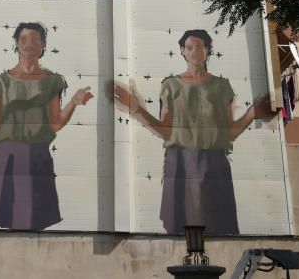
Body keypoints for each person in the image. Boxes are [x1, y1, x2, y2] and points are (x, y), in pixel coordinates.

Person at [112, 29, 273, 235]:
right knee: (183, 230)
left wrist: (251, 114)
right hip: (180, 162)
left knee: (217, 228)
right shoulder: (170, 85)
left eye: (200, 47)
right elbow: (166, 131)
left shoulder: (221, 86)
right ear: (182, 51)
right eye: (189, 47)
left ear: (208, 50)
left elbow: (228, 134)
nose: (195, 51)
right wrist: (136, 109)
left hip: (214, 163)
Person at [0, 22, 93, 230]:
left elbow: (55, 124)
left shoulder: (53, 81)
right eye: (23, 39)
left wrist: (73, 103)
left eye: (35, 39)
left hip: (37, 157)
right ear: (16, 44)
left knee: (33, 222)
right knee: (9, 222)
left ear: (43, 44)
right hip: (6, 157)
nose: (29, 44)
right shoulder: (2, 81)